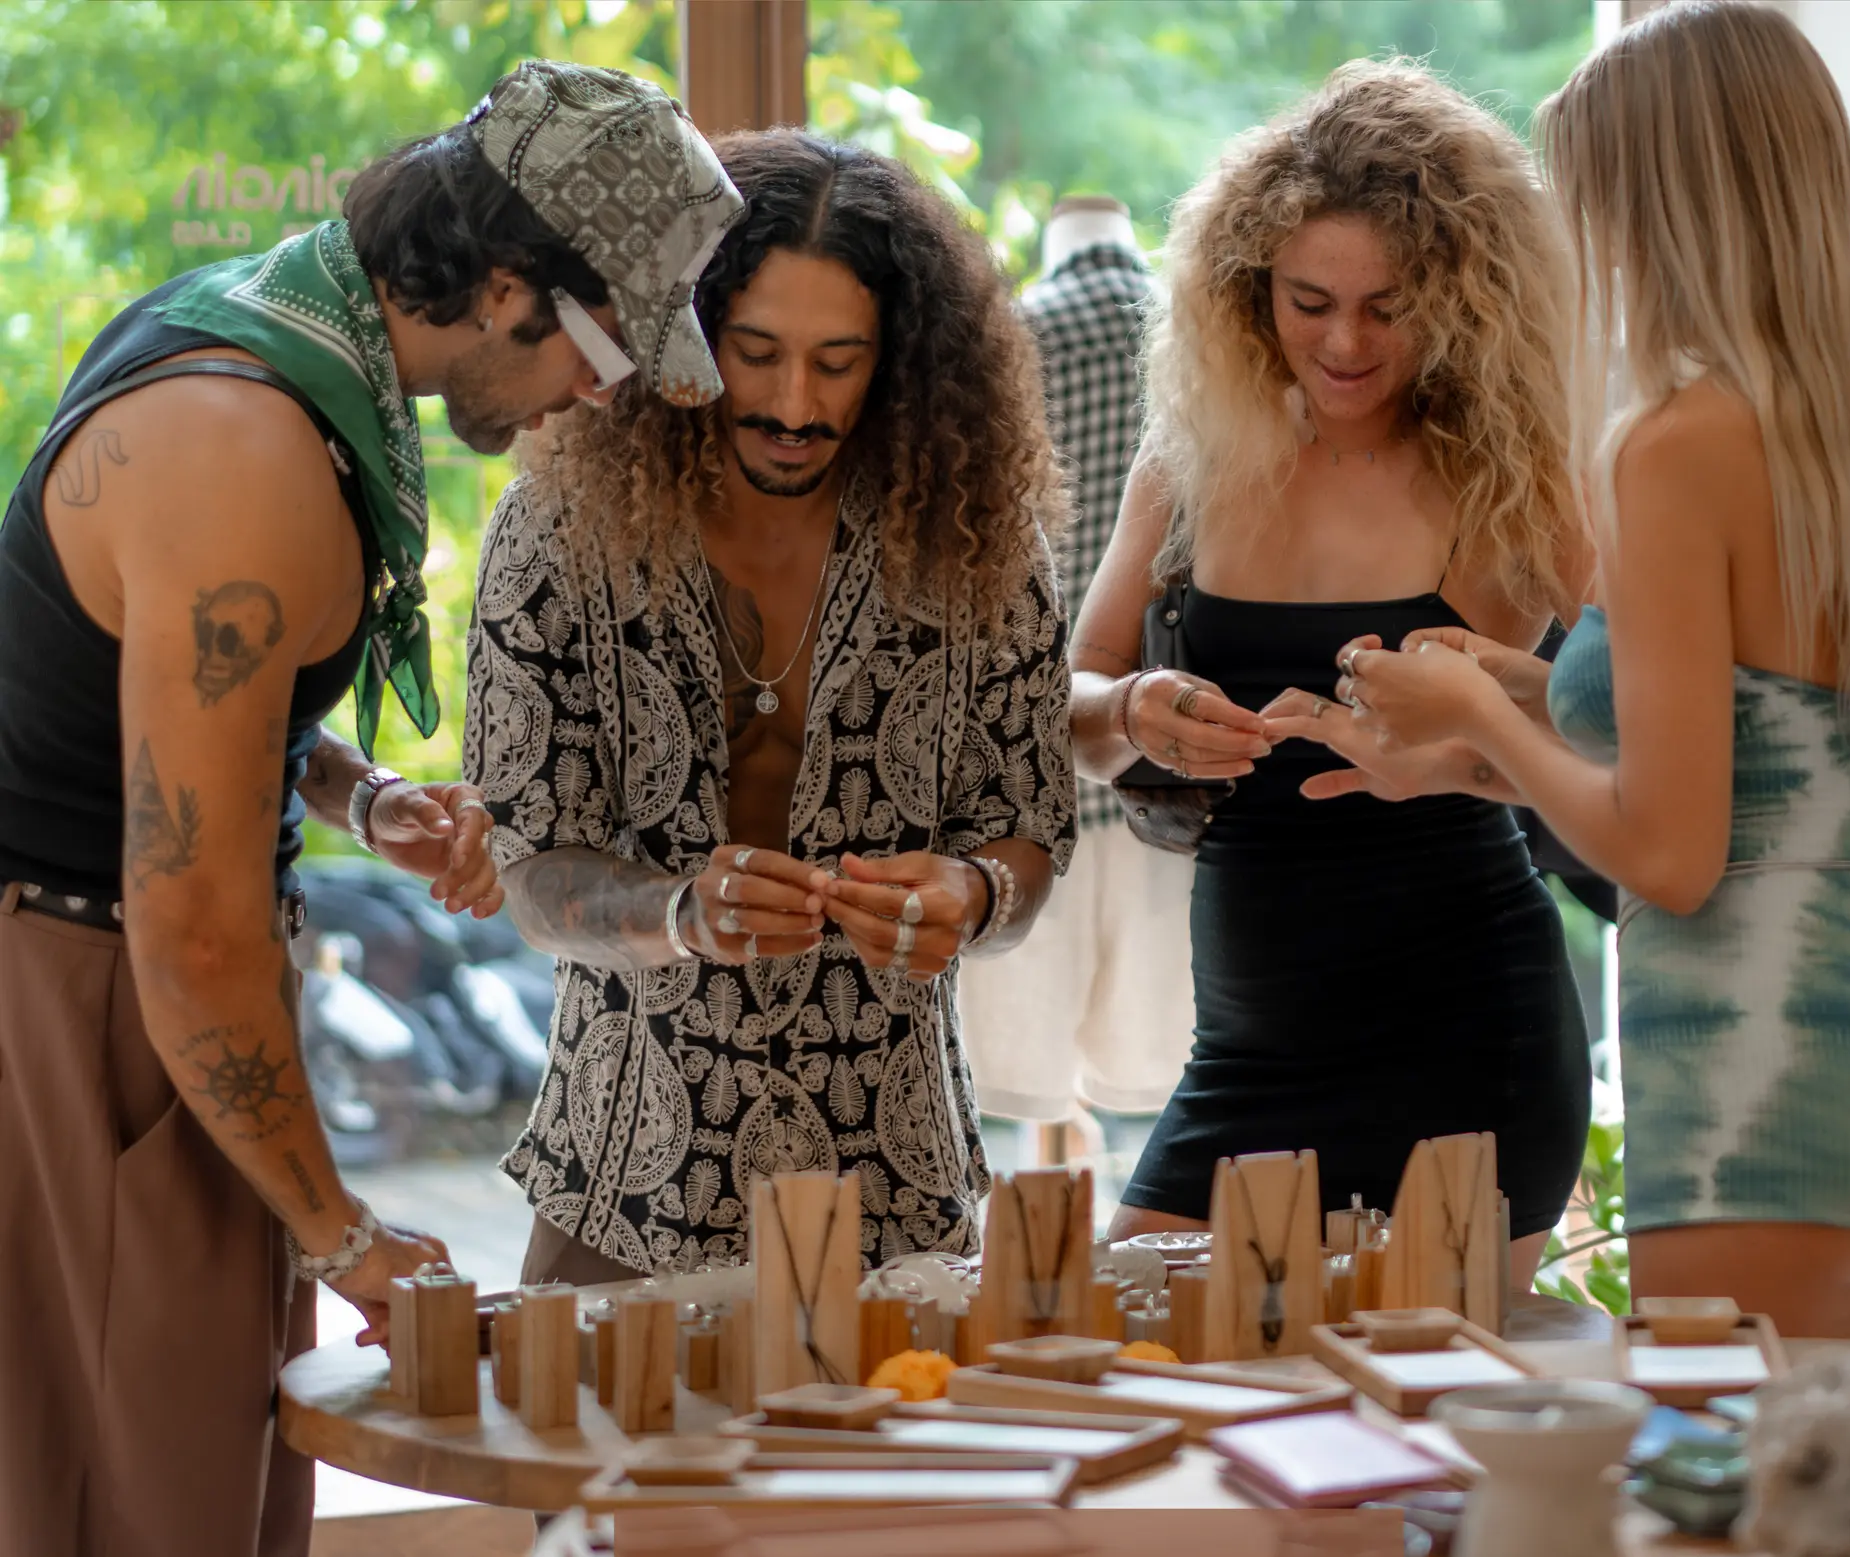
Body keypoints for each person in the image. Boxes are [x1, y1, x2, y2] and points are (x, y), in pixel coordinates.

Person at [0, 61, 744, 1556]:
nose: (604, 390)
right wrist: (345, 1234)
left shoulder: (285, 325)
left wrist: (361, 790)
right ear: (510, 281)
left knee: (218, 1469)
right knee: (137, 1504)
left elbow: (187, 694)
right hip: (91, 1000)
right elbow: (195, 928)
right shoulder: (242, 451)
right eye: (607, 342)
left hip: (136, 986)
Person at [1278, 3, 1850, 1339]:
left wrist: (1473, 716)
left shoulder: (1673, 444)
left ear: (1659, 203)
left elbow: (1670, 855)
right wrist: (1519, 693)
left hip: (1755, 1071)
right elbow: (1773, 735)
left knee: (1750, 1535)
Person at [466, 130, 1076, 1284]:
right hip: (622, 1181)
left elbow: (1031, 826)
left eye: (839, 363)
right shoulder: (555, 532)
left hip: (900, 1188)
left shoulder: (979, 543)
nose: (794, 405)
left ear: (899, 361)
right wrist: (680, 912)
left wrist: (977, 890)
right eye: (755, 354)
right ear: (680, 340)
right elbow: (525, 870)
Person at [1069, 61, 1593, 1282]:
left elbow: (1644, 732)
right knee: (1156, 1350)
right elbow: (1072, 705)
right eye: (1309, 302)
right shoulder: (1191, 457)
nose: (1346, 343)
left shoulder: (1519, 471)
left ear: (1463, 299)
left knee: (1420, 1437)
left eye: (1389, 306)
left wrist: (1467, 747)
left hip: (1471, 1031)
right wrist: (1138, 710)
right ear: (1249, 293)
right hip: (1248, 1053)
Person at [958, 196, 1197, 1126]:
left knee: (1031, 1109)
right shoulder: (1195, 346)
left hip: (1025, 781)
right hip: (1164, 774)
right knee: (1166, 1091)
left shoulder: (1001, 346)